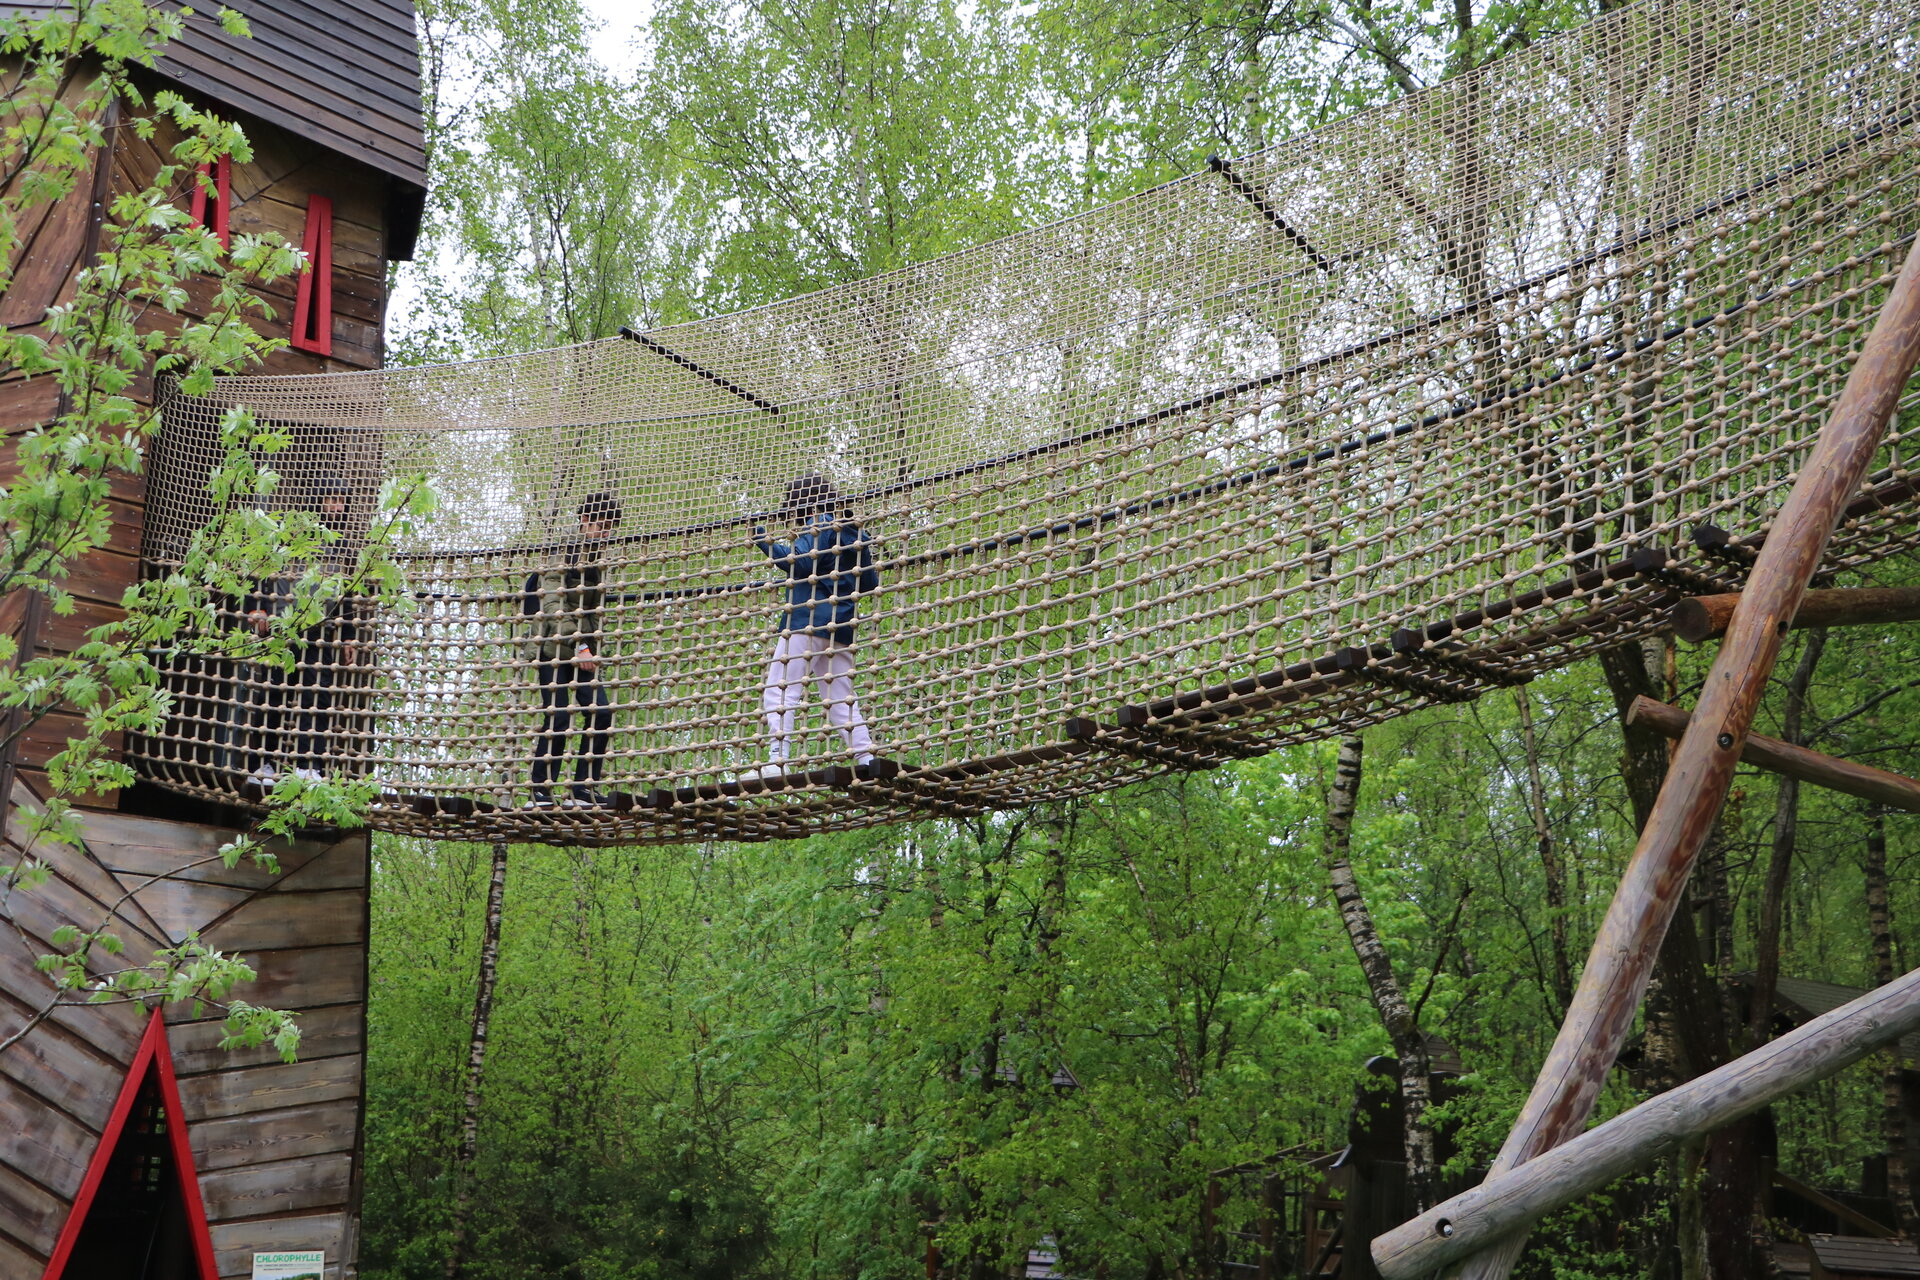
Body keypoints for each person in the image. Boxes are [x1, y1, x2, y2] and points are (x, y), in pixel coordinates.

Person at [748, 475, 879, 779]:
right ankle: (866, 756)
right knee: (840, 697)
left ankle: (778, 760)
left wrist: (761, 539)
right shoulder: (856, 534)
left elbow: (801, 563)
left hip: (806, 621)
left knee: (781, 689)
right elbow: (869, 582)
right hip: (841, 625)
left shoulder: (819, 524)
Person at [237, 478, 360, 788]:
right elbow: (260, 571)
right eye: (332, 500)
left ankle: (309, 767)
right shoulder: (291, 535)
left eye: (342, 501)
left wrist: (348, 636)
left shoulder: (343, 547)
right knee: (274, 696)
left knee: (315, 699)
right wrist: (257, 608)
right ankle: (262, 765)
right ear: (318, 502)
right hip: (284, 628)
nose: (337, 507)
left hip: (321, 633)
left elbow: (345, 595)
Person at [523, 491, 621, 807]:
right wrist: (578, 643)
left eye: (609, 529)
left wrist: (590, 646)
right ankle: (540, 791)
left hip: (580, 650)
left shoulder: (595, 561)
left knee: (601, 713)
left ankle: (583, 789)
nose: (605, 534)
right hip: (551, 647)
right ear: (585, 521)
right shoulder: (563, 552)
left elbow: (591, 612)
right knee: (559, 716)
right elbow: (553, 602)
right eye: (601, 526)